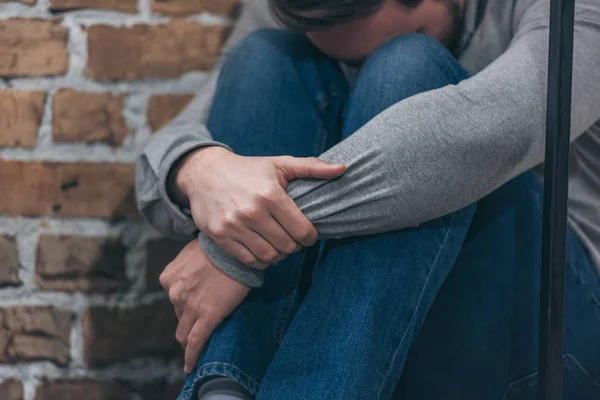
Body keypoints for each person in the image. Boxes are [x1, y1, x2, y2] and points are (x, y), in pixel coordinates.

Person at [136, 0, 600, 398]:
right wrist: (198, 169)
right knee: (264, 57)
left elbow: (494, 130)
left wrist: (235, 243)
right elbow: (164, 153)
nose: (360, 77)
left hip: (551, 336)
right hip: (374, 340)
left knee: (407, 67)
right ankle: (227, 388)